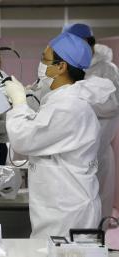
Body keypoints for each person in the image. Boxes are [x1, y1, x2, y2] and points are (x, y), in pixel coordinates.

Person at [2, 32, 102, 238]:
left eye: (44, 59)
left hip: (68, 212)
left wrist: (19, 102)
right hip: (60, 205)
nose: (40, 64)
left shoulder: (68, 107)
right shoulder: (60, 101)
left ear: (61, 66)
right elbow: (40, 128)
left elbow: (25, 138)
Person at [64, 23, 119, 217]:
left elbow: (113, 104)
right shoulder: (72, 65)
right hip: (75, 150)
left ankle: (100, 241)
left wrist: (80, 97)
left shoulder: (107, 69)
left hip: (99, 150)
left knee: (99, 204)